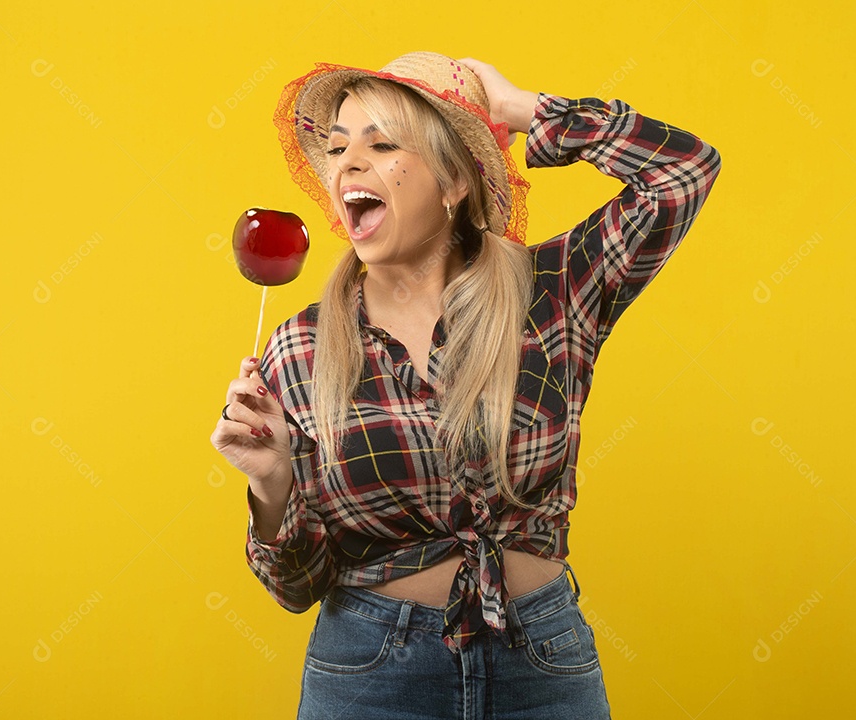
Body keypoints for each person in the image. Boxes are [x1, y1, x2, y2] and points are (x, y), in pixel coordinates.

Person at [210, 51, 721, 719]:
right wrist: (271, 485)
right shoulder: (300, 350)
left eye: (383, 142)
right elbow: (297, 586)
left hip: (542, 661)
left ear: (455, 180)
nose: (349, 164)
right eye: (337, 149)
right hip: (369, 672)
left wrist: (517, 110)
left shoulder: (552, 290)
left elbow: (682, 172)